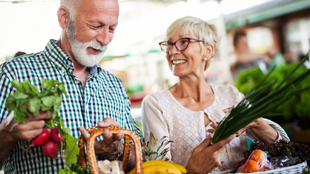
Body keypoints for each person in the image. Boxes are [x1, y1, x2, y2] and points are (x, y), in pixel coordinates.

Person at [0, 0, 141, 173]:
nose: (105, 40)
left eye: (112, 29)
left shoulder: (114, 85)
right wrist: (7, 133)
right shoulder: (14, 74)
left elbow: (143, 159)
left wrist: (118, 149)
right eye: (96, 26)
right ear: (64, 18)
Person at [141, 16, 289, 173]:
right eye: (169, 44)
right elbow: (157, 169)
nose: (172, 51)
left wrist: (255, 122)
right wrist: (192, 170)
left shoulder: (231, 94)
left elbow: (284, 148)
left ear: (208, 51)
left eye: (184, 42)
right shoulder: (156, 104)